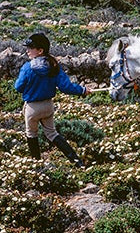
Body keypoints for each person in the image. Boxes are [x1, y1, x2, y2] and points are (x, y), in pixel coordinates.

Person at [14, 32, 89, 168]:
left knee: (31, 134)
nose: (27, 51)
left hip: (32, 108)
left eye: (31, 48)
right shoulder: (53, 66)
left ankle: (37, 166)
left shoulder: (27, 68)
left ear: (40, 50)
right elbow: (66, 87)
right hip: (48, 106)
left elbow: (18, 87)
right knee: (52, 133)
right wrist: (82, 90)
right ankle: (77, 161)